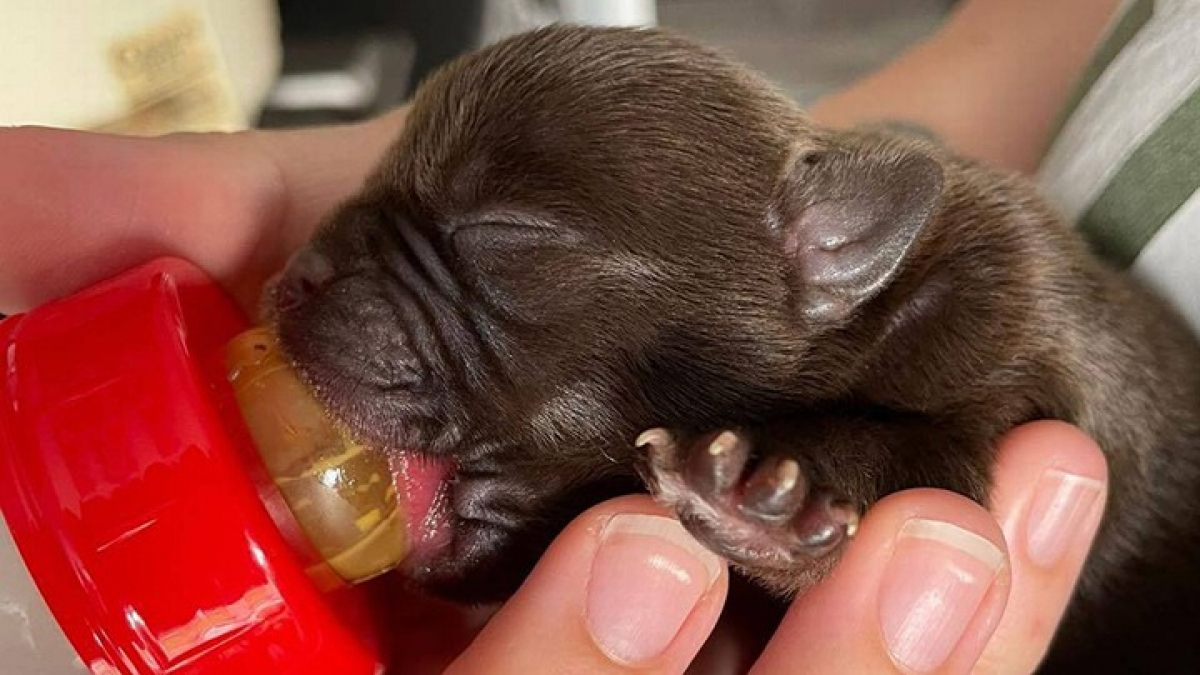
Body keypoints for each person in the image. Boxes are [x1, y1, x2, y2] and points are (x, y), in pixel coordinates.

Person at [4, 0, 1193, 671]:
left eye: (504, 245)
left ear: (832, 252)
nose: (320, 268)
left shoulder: (977, 315)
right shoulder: (776, 278)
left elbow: (985, 461)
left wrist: (802, 518)